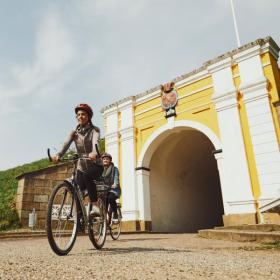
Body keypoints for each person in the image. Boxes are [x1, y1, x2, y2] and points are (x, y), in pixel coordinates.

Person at [52, 103, 103, 216]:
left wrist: (94, 152)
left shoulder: (95, 130)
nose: (80, 116)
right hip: (81, 166)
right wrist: (58, 155)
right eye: (78, 115)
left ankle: (94, 205)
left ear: (88, 116)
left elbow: (96, 142)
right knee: (77, 189)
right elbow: (66, 144)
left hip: (95, 165)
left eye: (83, 114)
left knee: (87, 175)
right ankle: (79, 218)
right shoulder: (74, 133)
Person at [101, 153, 121, 221]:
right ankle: (104, 218)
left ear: (110, 160)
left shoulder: (114, 169)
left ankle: (115, 214)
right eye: (104, 159)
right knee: (102, 201)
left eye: (107, 159)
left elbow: (116, 178)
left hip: (114, 190)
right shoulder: (101, 169)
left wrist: (115, 184)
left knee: (110, 198)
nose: (105, 160)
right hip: (104, 190)